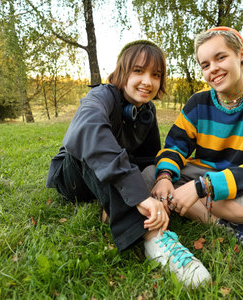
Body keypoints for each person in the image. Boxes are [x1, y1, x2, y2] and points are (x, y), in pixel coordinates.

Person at [45, 40, 211, 288]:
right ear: (122, 72)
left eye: (156, 75)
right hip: (73, 178)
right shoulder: (101, 95)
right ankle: (154, 239)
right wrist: (139, 197)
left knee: (149, 170)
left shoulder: (147, 111)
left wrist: (158, 185)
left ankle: (115, 205)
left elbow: (147, 159)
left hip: (103, 180)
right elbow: (86, 133)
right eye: (138, 71)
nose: (147, 81)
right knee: (94, 147)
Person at [146, 27, 243, 268]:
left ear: (241, 55)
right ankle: (231, 228)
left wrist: (201, 188)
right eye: (205, 64)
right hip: (200, 173)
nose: (213, 69)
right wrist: (166, 175)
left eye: (220, 57)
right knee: (150, 176)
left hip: (242, 184)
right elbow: (175, 146)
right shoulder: (197, 102)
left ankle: (191, 205)